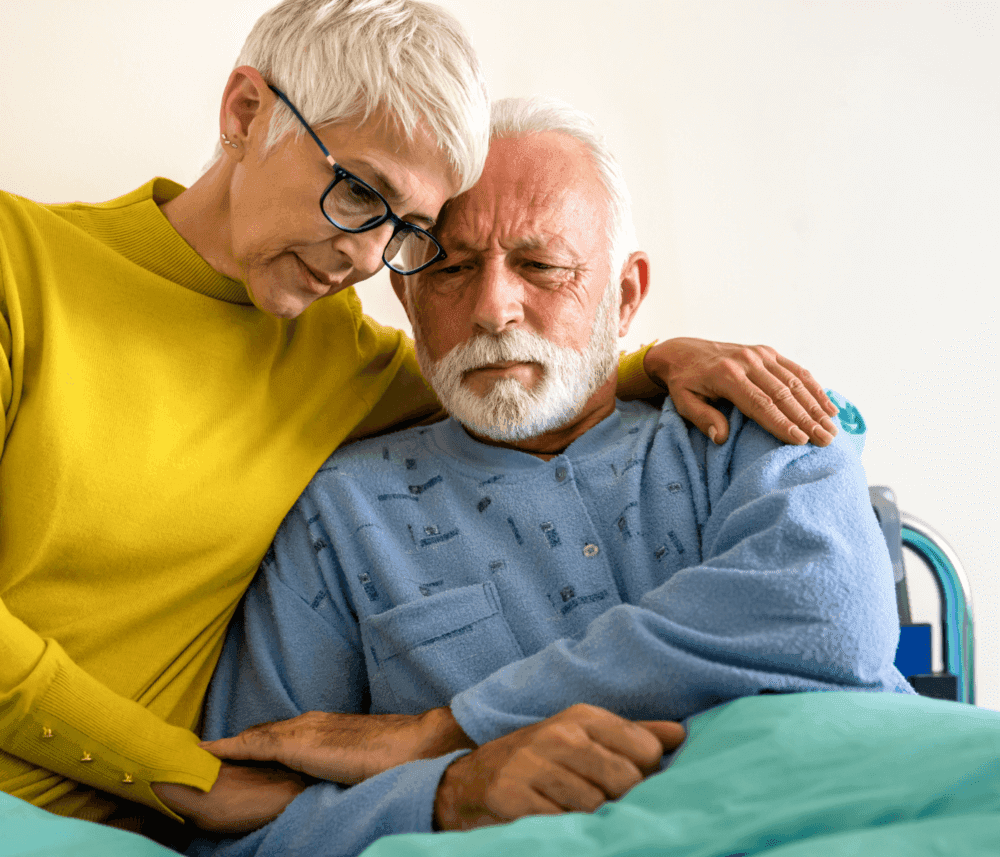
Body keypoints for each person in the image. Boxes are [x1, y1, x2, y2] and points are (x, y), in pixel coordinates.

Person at [0, 0, 839, 840]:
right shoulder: (19, 266)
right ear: (245, 113)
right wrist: (187, 776)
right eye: (360, 191)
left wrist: (655, 356)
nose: (366, 257)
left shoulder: (334, 354)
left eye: (407, 229)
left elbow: (513, 373)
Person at [189, 94, 908, 857]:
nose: (494, 308)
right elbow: (241, 826)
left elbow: (827, 615)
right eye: (454, 268)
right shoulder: (338, 514)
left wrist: (444, 729)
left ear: (625, 295)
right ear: (406, 295)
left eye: (541, 266)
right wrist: (448, 792)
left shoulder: (757, 418)